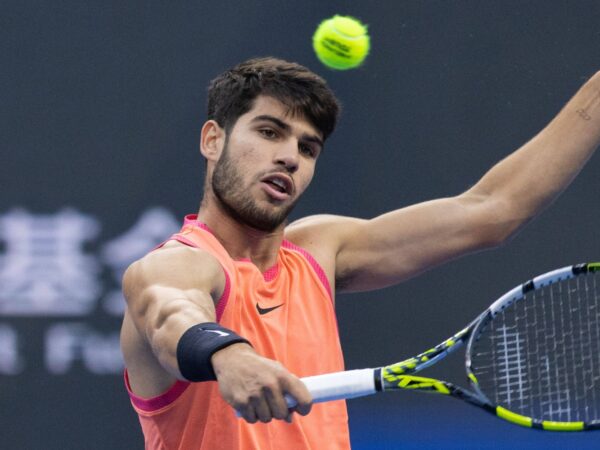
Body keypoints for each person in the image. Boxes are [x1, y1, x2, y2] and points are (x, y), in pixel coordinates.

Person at [120, 57, 600, 450]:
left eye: (307, 148)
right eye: (269, 132)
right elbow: (170, 313)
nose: (289, 156)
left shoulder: (319, 250)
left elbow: (495, 208)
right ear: (213, 139)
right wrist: (229, 355)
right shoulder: (179, 263)